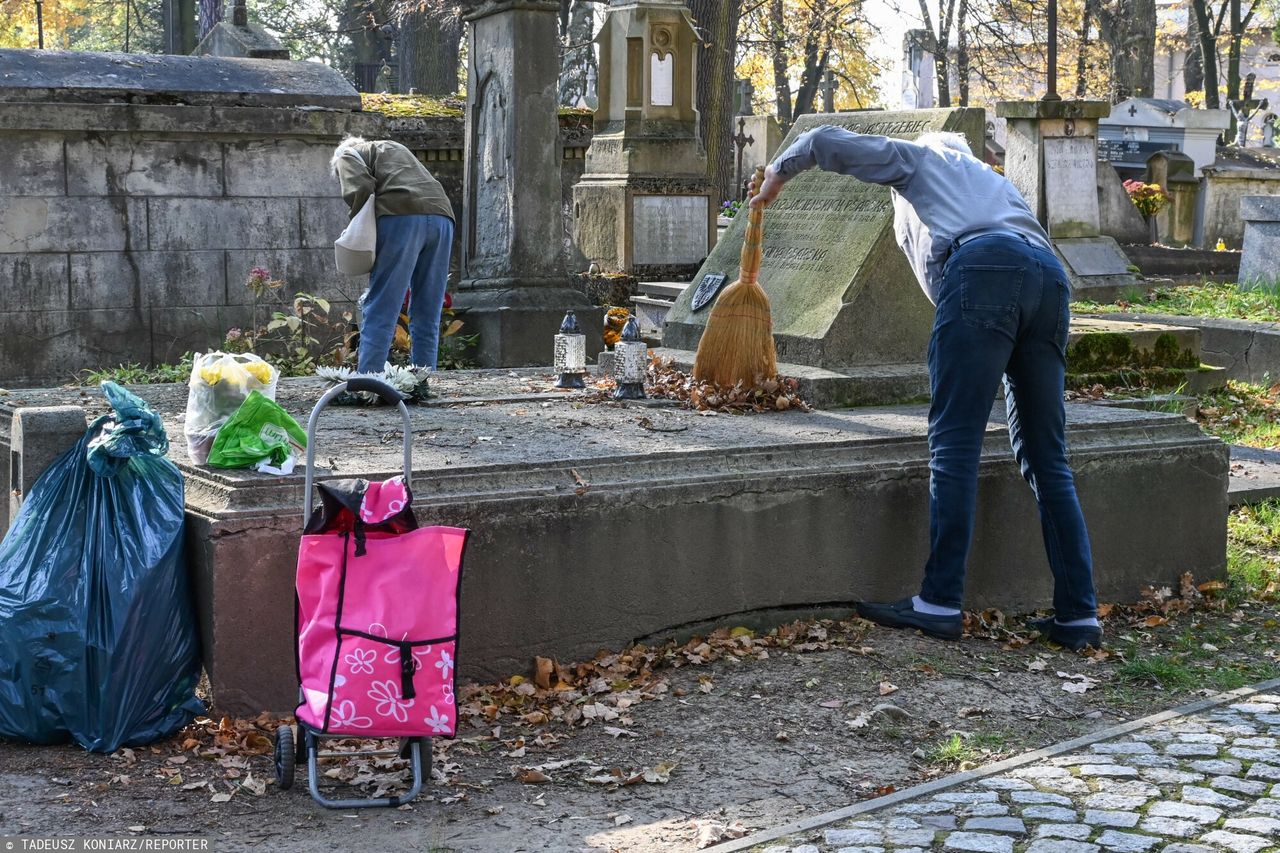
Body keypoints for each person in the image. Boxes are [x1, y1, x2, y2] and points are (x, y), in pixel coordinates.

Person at [751, 126, 1102, 651]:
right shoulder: (992, 182)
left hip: (984, 268)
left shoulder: (926, 160)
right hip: (1050, 279)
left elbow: (826, 139)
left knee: (954, 443)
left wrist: (779, 171)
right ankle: (1079, 616)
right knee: (1047, 456)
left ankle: (938, 602)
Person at [330, 136, 455, 383]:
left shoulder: (345, 154)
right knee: (428, 309)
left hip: (401, 217)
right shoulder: (394, 147)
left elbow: (361, 188)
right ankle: (421, 381)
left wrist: (358, 226)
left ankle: (370, 382)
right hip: (443, 217)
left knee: (382, 305)